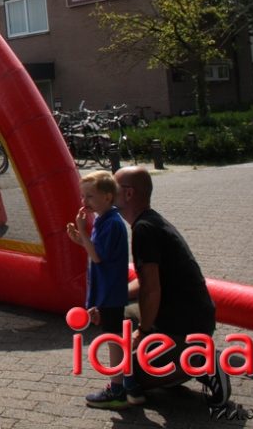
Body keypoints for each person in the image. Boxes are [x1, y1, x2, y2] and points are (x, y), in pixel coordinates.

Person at [113, 165, 230, 408]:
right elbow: (145, 281)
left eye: (112, 187)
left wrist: (143, 331)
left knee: (129, 378)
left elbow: (151, 289)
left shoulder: (144, 230)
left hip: (185, 324)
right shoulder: (150, 221)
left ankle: (200, 362)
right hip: (189, 316)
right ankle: (173, 360)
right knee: (117, 313)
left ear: (129, 193)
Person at [66, 170, 143, 409]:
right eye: (83, 196)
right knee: (116, 338)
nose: (84, 201)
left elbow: (98, 257)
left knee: (113, 341)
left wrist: (83, 231)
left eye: (90, 196)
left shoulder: (110, 223)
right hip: (108, 291)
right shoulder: (105, 220)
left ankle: (117, 390)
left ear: (108, 197)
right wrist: (82, 240)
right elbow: (98, 252)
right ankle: (131, 387)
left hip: (110, 292)